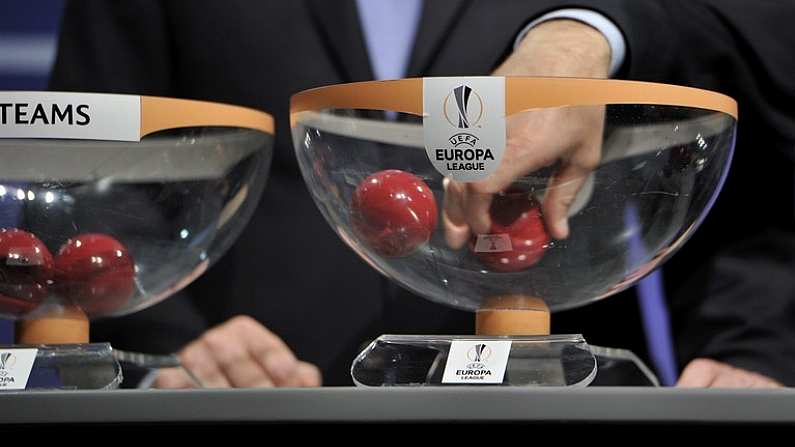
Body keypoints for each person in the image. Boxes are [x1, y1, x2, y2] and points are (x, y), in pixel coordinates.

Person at [47, 0, 795, 388]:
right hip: (247, 396)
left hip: (556, 397)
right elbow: (97, 162)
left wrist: (749, 352)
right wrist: (165, 345)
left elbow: (742, 81)